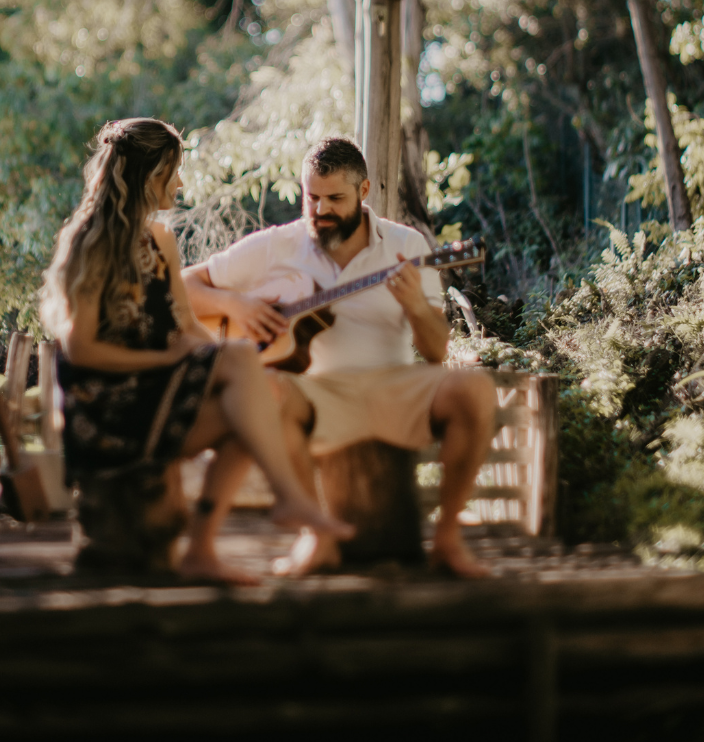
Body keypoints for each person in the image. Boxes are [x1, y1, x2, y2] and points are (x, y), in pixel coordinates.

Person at [40, 117, 352, 581]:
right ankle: (291, 499)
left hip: (155, 395)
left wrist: (239, 368)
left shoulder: (161, 240)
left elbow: (185, 327)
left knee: (258, 391)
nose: (180, 181)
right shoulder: (91, 243)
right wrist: (165, 360)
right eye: (173, 169)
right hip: (107, 412)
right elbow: (81, 350)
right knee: (245, 378)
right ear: (148, 174)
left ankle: (202, 549)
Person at [183, 135, 498, 579]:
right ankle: (318, 537)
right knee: (265, 389)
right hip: (315, 393)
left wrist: (415, 307)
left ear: (364, 193)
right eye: (312, 197)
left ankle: (447, 540)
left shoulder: (407, 246)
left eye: (334, 198)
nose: (320, 210)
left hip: (394, 387)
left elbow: (436, 351)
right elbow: (182, 287)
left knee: (475, 389)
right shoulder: (277, 245)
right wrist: (237, 307)